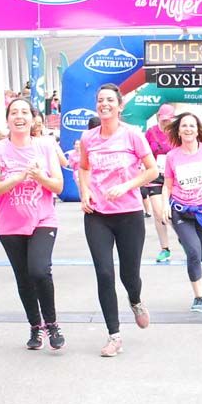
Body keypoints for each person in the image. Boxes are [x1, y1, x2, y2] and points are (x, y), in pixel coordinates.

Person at [78, 83, 157, 357]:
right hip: (97, 215)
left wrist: (126, 186)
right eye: (100, 100)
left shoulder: (133, 136)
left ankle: (135, 299)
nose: (105, 104)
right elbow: (84, 168)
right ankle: (114, 335)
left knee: (129, 275)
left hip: (129, 215)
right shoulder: (88, 138)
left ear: (120, 105)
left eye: (110, 100)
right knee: (104, 273)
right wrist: (85, 192)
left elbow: (152, 171)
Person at [0, 97, 66, 351]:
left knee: (39, 270)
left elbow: (58, 186)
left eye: (24, 112)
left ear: (33, 119)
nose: (19, 117)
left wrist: (40, 176)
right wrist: (18, 177)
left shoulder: (45, 146)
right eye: (14, 113)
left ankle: (51, 323)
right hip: (10, 224)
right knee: (23, 277)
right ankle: (35, 326)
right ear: (8, 119)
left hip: (43, 219)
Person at [162, 111, 202, 312]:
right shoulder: (172, 156)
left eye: (192, 125)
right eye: (184, 126)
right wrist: (165, 204)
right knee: (193, 252)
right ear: (179, 131)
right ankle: (199, 296)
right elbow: (167, 184)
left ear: (197, 130)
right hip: (182, 211)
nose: (188, 129)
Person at [143, 104, 176, 262]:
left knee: (174, 212)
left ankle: (186, 237)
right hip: (155, 175)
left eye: (168, 120)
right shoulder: (150, 133)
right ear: (158, 118)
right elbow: (143, 153)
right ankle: (165, 248)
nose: (165, 123)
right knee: (158, 213)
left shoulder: (178, 132)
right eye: (163, 120)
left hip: (174, 176)